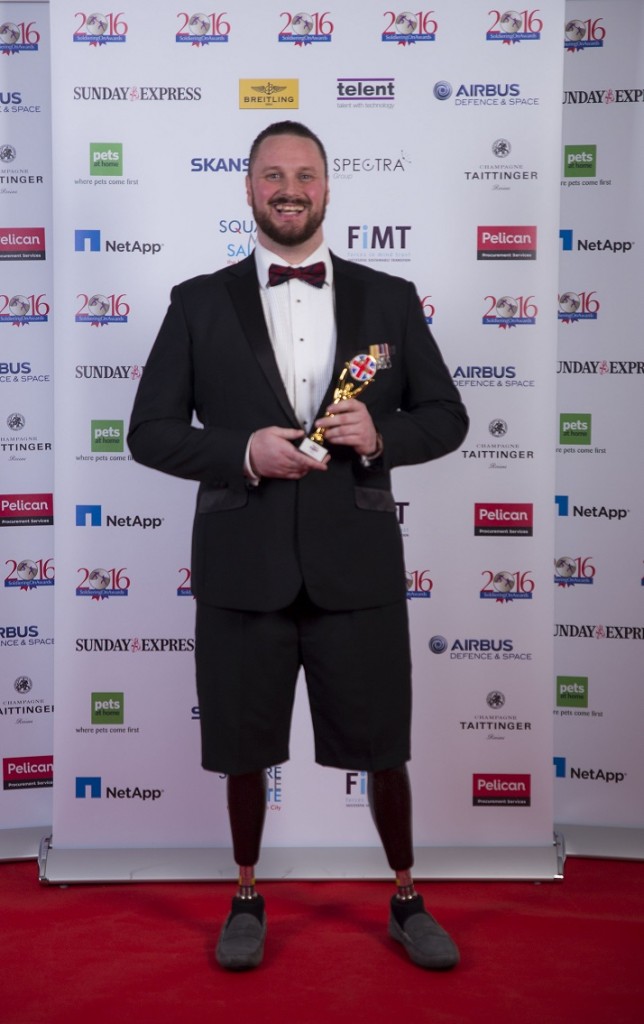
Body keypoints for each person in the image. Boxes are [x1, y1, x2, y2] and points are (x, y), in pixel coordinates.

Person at [128, 120, 468, 972]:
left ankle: (406, 896)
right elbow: (150, 432)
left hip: (357, 568)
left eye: (305, 174)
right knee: (243, 748)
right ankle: (246, 895)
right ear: (248, 189)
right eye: (273, 175)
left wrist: (381, 435)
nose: (289, 189)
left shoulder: (390, 298)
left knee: (384, 745)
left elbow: (446, 417)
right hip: (243, 569)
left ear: (327, 187)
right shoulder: (197, 302)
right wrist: (243, 451)